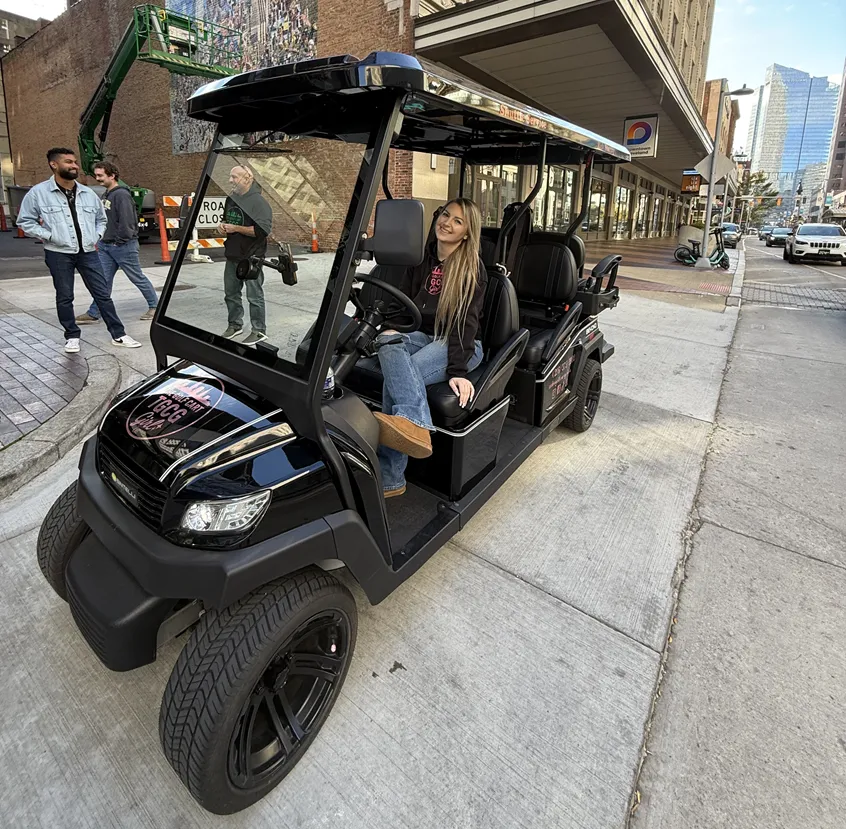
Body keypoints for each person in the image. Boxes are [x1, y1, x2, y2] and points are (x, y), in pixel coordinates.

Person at [375, 198, 487, 498]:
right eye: (445, 215)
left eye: (458, 221)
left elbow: (467, 323)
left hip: (458, 343)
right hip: (423, 335)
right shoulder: (421, 259)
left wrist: (458, 370)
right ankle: (415, 422)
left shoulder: (471, 269)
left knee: (394, 380)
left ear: (466, 233)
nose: (447, 223)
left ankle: (391, 477)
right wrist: (391, 327)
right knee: (385, 340)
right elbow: (407, 305)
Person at [16, 148, 142, 353]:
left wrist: (96, 236)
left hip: (87, 251)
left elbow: (102, 219)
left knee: (102, 294)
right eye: (69, 162)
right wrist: (49, 236)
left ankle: (118, 334)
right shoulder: (39, 193)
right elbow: (25, 221)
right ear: (54, 165)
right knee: (65, 295)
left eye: (75, 162)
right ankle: (72, 336)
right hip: (58, 252)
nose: (74, 166)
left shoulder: (87, 193)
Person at [74, 161, 158, 325]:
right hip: (106, 246)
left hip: (122, 246)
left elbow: (127, 222)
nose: (97, 178)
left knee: (137, 277)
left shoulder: (121, 195)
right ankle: (94, 312)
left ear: (112, 175)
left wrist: (119, 241)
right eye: (96, 175)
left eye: (100, 175)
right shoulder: (108, 194)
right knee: (103, 280)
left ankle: (155, 307)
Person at [219, 165, 273, 345]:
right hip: (232, 254)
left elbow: (263, 230)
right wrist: (222, 225)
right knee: (231, 294)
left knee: (254, 296)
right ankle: (235, 325)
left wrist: (236, 228)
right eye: (230, 176)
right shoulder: (231, 199)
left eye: (234, 177)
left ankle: (259, 331)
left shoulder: (259, 202)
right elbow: (226, 219)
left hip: (252, 257)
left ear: (247, 178)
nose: (230, 180)